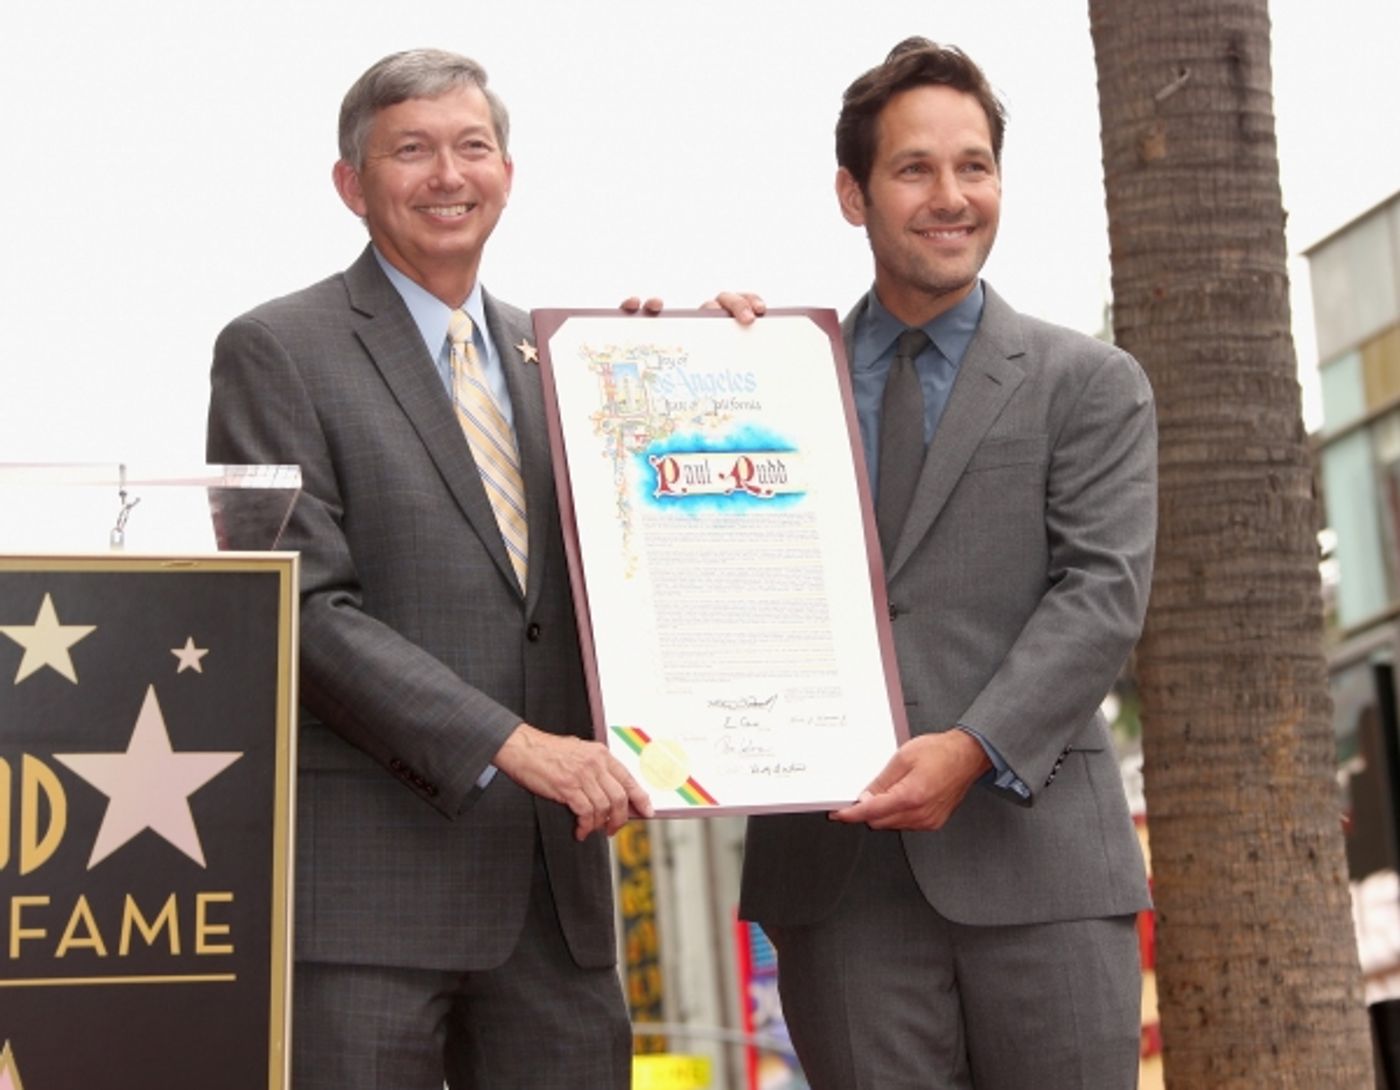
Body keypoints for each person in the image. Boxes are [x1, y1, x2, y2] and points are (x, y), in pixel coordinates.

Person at [206, 48, 657, 1090]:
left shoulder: (576, 364)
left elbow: (648, 567)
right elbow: (302, 608)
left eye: (472, 146)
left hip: (558, 909)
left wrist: (705, 366)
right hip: (369, 904)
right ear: (350, 185)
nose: (447, 175)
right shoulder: (274, 351)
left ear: (506, 170)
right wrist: (514, 743)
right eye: (410, 150)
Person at [736, 38, 1157, 1089]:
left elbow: (1099, 598)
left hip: (1041, 864)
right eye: (913, 168)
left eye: (972, 165)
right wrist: (662, 367)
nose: (949, 195)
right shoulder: (769, 380)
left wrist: (971, 748)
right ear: (852, 193)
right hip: (837, 881)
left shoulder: (1088, 383)